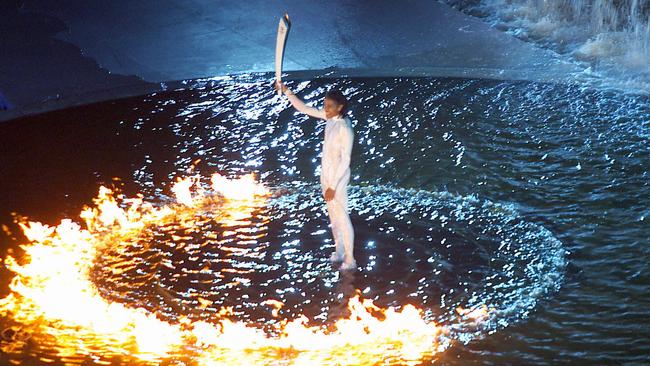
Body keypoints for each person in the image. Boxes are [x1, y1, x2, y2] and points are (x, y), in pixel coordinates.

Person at [275, 81, 356, 271]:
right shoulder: (329, 119)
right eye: (324, 105)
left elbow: (346, 161)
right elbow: (304, 108)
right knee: (333, 217)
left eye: (329, 106)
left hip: (338, 178)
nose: (325, 109)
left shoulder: (345, 128)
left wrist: (333, 186)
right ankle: (340, 252)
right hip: (326, 175)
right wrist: (287, 91)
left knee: (342, 217)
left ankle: (350, 259)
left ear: (340, 107)